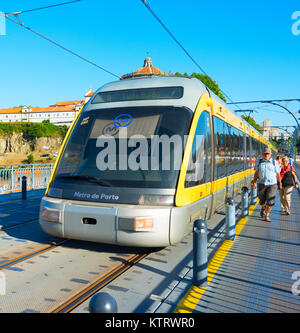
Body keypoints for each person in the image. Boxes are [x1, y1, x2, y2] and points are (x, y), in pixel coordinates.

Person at [253, 147, 281, 222]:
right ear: (263, 154)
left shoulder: (275, 162)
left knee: (270, 201)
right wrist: (254, 182)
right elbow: (256, 173)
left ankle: (267, 215)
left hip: (272, 184)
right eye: (265, 153)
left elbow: (278, 174)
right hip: (261, 183)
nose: (266, 155)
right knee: (262, 199)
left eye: (268, 153)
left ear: (271, 154)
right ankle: (263, 207)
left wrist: (280, 183)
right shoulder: (259, 162)